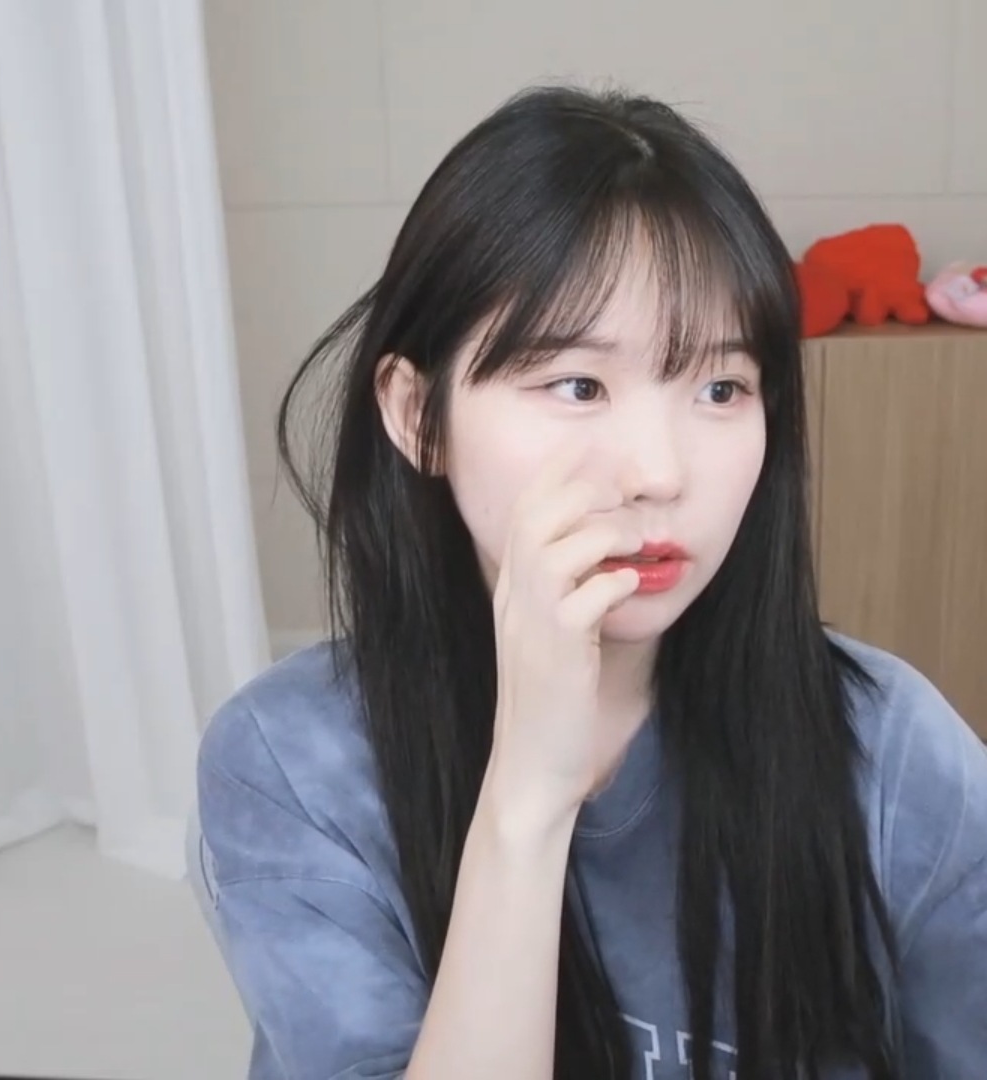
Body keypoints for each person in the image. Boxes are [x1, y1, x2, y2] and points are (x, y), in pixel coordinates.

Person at [195, 85, 987, 1080]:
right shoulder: (292, 764)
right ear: (417, 416)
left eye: (721, 388)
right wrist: (527, 798)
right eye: (577, 385)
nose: (658, 472)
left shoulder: (896, 753)